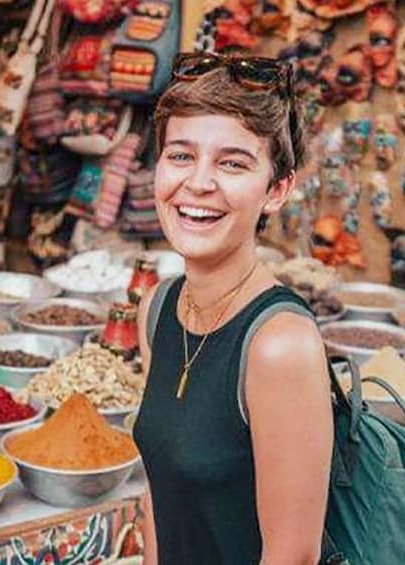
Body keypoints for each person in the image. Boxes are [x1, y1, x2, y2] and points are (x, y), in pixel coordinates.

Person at [134, 52, 334, 565]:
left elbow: (292, 557)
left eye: (232, 163)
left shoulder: (279, 344)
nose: (198, 183)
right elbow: (162, 496)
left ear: (276, 189)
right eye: (181, 155)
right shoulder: (158, 309)